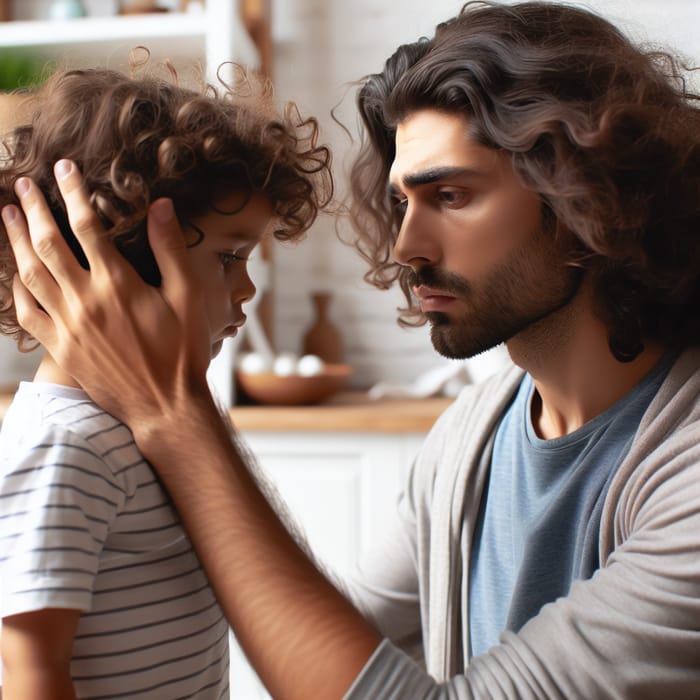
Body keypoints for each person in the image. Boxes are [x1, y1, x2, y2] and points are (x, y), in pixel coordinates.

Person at [3, 1, 700, 697]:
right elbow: (328, 648)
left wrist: (172, 410)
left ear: (592, 193)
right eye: (401, 203)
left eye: (451, 195)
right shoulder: (471, 438)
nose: (405, 247)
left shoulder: (685, 475)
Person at [0, 65, 331, 698]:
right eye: (230, 258)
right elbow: (30, 668)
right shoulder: (66, 445)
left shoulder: (158, 417)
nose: (249, 289)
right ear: (122, 255)